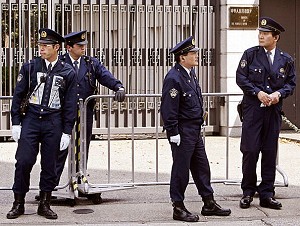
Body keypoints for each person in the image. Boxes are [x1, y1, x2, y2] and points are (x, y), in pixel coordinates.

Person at [7, 28, 77, 220]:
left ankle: (44, 203)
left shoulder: (67, 71)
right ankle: (18, 203)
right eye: (40, 45)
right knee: (23, 161)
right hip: (31, 119)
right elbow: (18, 95)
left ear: (57, 47)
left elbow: (70, 103)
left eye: (46, 46)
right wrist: (16, 122)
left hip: (53, 122)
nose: (41, 48)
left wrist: (66, 131)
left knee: (49, 165)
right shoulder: (30, 67)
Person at [160, 36, 231, 222]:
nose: (197, 55)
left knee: (202, 167)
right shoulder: (174, 78)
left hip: (194, 129)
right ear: (182, 57)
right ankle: (178, 206)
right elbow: (168, 109)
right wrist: (173, 131)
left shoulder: (189, 73)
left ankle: (208, 202)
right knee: (181, 170)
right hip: (182, 131)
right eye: (193, 53)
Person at [236, 17, 296, 210]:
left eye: (265, 33)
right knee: (250, 150)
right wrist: (258, 92)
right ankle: (247, 192)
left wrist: (279, 94)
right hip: (253, 110)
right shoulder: (250, 55)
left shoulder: (286, 60)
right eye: (260, 33)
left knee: (270, 152)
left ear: (275, 37)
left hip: (273, 112)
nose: (261, 36)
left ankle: (267, 193)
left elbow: (290, 84)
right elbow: (241, 78)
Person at [55, 30, 125, 187]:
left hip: (85, 112)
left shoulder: (91, 63)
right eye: (79, 45)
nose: (83, 48)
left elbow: (105, 75)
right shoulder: (59, 64)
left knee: (83, 146)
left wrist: (118, 87)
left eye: (84, 45)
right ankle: (50, 186)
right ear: (69, 47)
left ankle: (80, 179)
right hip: (62, 113)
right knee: (59, 148)